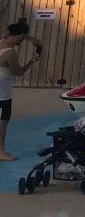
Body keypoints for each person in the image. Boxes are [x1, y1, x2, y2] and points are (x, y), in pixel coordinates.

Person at [0, 20, 43, 161]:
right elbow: (18, 72)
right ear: (21, 36)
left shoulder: (2, 41)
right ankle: (1, 151)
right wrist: (32, 61)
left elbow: (38, 42)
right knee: (3, 120)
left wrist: (27, 37)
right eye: (23, 37)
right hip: (3, 92)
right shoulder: (10, 53)